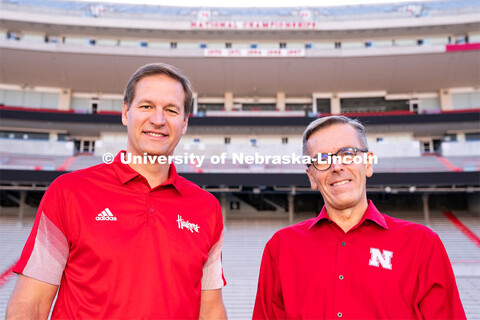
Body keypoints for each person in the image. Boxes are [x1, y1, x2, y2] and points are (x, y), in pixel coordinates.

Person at [6, 63, 227, 319]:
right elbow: (29, 305)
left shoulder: (206, 207)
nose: (158, 120)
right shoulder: (69, 192)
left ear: (185, 123)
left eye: (171, 110)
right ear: (125, 113)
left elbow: (211, 310)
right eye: (146, 106)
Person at [253, 115, 466, 319]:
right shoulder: (281, 247)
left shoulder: (422, 244)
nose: (337, 167)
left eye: (347, 153)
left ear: (368, 163)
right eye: (322, 159)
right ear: (312, 177)